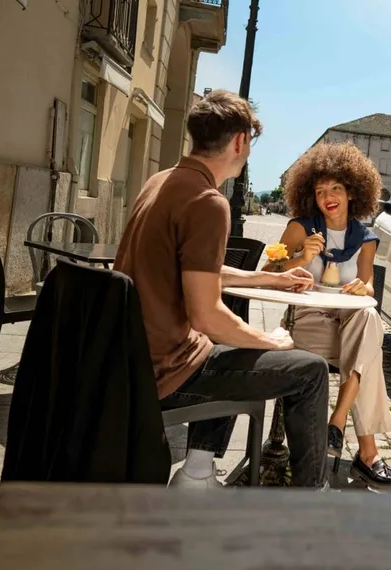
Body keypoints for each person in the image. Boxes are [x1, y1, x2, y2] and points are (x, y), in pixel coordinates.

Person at [114, 90, 330, 490]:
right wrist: (272, 341)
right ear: (240, 141)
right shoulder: (208, 202)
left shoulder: (162, 181)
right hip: (165, 372)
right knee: (311, 372)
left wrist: (267, 278)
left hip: (132, 358)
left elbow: (196, 271)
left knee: (232, 347)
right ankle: (312, 500)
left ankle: (197, 473)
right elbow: (206, 314)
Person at [269, 142, 391, 489]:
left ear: (352, 193)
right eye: (320, 191)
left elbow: (369, 285)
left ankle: (338, 420)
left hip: (348, 326)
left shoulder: (366, 239)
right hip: (308, 322)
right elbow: (268, 270)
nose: (328, 196)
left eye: (336, 189)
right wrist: (299, 258)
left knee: (367, 320)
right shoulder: (301, 228)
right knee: (369, 347)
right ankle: (367, 453)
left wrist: (363, 288)